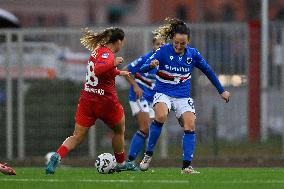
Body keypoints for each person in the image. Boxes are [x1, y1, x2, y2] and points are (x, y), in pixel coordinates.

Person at [139, 18, 230, 174]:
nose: (179, 46)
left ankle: (186, 166)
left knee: (190, 125)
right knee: (160, 116)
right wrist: (150, 65)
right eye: (176, 43)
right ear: (172, 40)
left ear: (188, 41)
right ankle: (148, 155)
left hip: (182, 96)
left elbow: (208, 71)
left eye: (183, 43)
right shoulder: (162, 51)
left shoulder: (193, 54)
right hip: (163, 93)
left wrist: (221, 90)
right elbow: (142, 68)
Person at [45, 27, 135, 174]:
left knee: (77, 136)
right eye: (122, 42)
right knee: (119, 130)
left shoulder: (98, 51)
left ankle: (57, 156)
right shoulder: (108, 55)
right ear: (118, 41)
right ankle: (120, 163)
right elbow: (100, 69)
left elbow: (100, 72)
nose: (122, 45)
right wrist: (114, 63)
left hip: (87, 100)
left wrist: (118, 72)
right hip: (105, 101)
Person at [123, 36, 165, 167]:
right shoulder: (146, 58)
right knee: (145, 127)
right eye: (158, 44)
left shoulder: (168, 63)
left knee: (149, 131)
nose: (160, 47)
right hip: (139, 97)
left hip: (153, 101)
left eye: (163, 45)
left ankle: (135, 160)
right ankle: (130, 161)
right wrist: (135, 86)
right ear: (153, 46)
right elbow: (125, 71)